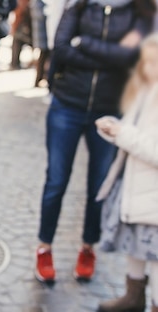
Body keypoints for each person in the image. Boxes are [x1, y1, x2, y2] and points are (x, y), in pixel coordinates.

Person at [35, 0, 155, 284]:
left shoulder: (140, 11)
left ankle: (88, 247)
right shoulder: (77, 6)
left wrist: (84, 43)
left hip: (110, 110)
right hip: (66, 105)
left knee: (98, 184)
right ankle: (44, 246)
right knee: (56, 181)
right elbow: (61, 49)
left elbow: (129, 57)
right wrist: (108, 56)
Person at [95, 33, 158, 312]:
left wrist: (124, 133)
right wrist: (114, 130)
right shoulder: (145, 92)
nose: (147, 68)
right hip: (138, 188)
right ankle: (134, 297)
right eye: (144, 62)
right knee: (136, 248)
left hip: (154, 196)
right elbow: (135, 135)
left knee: (156, 260)